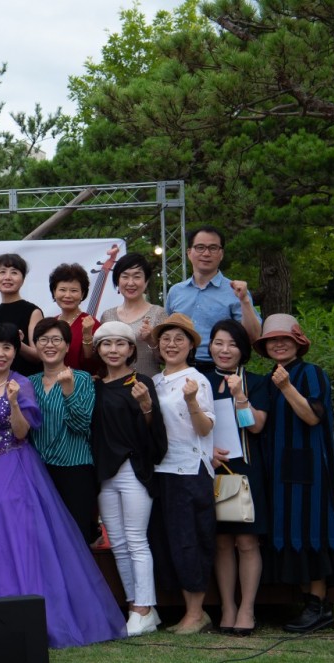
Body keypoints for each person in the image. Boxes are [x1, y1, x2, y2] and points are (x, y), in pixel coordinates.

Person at [0, 322, 126, 648]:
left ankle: (26, 616)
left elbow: (21, 433)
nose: (0, 353)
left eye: (7, 347)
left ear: (14, 352)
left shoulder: (21, 384)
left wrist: (14, 403)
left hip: (14, 465)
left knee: (18, 539)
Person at [253, 314, 334, 633]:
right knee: (288, 531)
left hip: (308, 468)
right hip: (278, 468)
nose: (278, 344)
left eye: (285, 339)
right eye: (272, 340)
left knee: (310, 530)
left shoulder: (312, 373)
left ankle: (319, 606)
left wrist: (286, 387)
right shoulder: (268, 379)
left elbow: (312, 417)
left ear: (298, 342)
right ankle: (307, 602)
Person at [90, 322, 167, 636]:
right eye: (106, 344)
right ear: (98, 349)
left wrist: (146, 407)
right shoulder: (95, 386)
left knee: (136, 540)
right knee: (119, 544)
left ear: (131, 349)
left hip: (134, 470)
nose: (113, 350)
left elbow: (155, 434)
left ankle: (144, 608)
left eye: (120, 344)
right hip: (105, 473)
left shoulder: (141, 382)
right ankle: (136, 606)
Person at [150, 313, 216, 634]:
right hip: (160, 469)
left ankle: (196, 612)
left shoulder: (197, 380)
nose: (171, 344)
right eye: (166, 338)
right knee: (168, 541)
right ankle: (185, 610)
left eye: (179, 339)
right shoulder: (154, 381)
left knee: (190, 539)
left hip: (189, 469)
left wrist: (191, 401)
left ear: (191, 345)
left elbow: (204, 428)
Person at [205, 320, 269, 637]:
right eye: (219, 342)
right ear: (210, 346)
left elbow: (255, 426)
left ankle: (247, 609)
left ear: (243, 350)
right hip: (210, 467)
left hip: (245, 468)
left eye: (232, 344)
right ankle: (227, 607)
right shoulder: (200, 380)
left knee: (246, 541)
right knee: (221, 542)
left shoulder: (256, 382)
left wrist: (240, 396)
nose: (225, 350)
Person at [27, 318, 98, 542]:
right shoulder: (29, 383)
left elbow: (82, 425)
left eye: (56, 340)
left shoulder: (82, 379)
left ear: (67, 346)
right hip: (39, 471)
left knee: (76, 538)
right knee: (45, 538)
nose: (50, 345)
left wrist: (68, 392)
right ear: (36, 345)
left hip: (75, 469)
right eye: (43, 340)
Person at [165, 225, 261, 371]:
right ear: (189, 253)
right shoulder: (176, 292)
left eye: (213, 248)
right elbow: (166, 333)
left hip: (221, 369)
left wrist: (245, 301)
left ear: (221, 254)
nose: (206, 253)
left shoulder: (236, 291)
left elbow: (253, 336)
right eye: (200, 247)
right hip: (181, 368)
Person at [99, 252, 165, 377]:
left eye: (137, 277)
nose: (130, 283)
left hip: (149, 384)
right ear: (117, 281)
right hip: (115, 385)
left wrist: (151, 341)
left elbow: (166, 359)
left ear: (146, 281)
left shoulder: (158, 313)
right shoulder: (107, 316)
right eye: (125, 277)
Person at [0, 253, 44, 377]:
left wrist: (18, 343)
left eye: (14, 272)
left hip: (28, 380)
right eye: (2, 272)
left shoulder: (33, 311)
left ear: (23, 279)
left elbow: (38, 355)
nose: (7, 277)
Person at [48, 262, 101, 374]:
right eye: (62, 290)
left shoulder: (92, 324)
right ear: (54, 292)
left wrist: (87, 336)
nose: (67, 295)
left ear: (82, 294)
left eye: (74, 291)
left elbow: (94, 365)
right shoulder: (49, 324)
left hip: (81, 382)